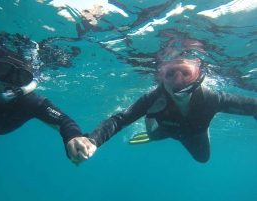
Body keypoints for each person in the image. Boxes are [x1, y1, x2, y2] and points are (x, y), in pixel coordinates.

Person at [70, 58, 257, 164]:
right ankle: (150, 120)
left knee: (203, 159)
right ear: (162, 78)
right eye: (170, 74)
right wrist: (92, 139)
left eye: (185, 73)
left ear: (197, 76)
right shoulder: (153, 98)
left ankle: (200, 128)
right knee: (152, 135)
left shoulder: (212, 98)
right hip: (164, 130)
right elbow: (119, 120)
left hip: (196, 133)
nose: (178, 80)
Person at [0, 49, 95, 165]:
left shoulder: (29, 101)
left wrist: (73, 136)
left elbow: (64, 121)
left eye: (21, 76)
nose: (10, 81)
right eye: (4, 70)